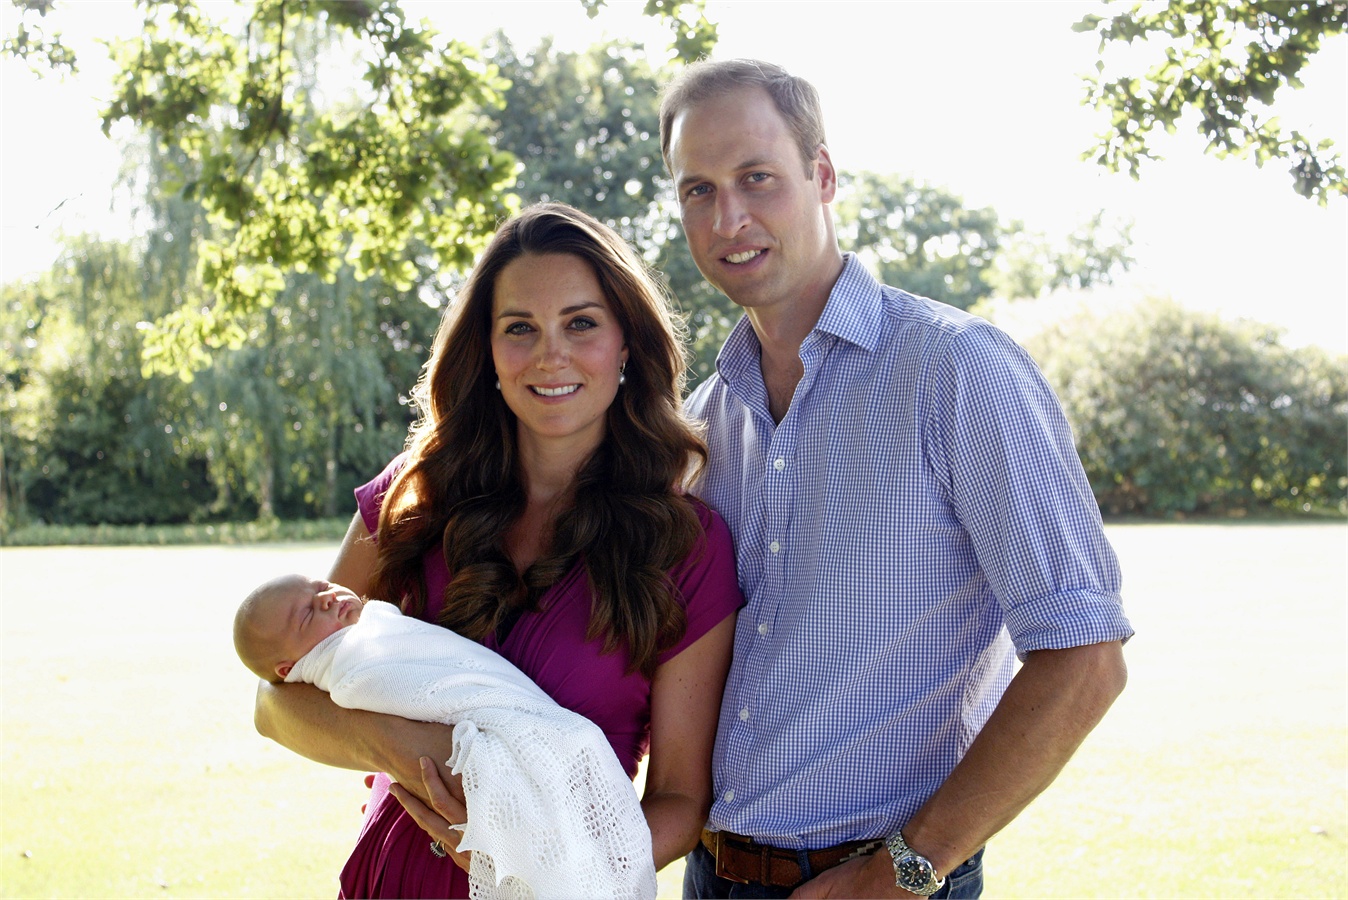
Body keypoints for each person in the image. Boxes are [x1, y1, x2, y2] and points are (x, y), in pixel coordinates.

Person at [658, 59, 1135, 898]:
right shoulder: (703, 420)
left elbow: (1084, 658)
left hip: (880, 880)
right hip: (712, 873)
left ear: (823, 175)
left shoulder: (956, 370)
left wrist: (904, 872)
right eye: (699, 190)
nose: (728, 218)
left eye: (757, 177)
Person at [251, 203, 743, 899]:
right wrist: (407, 749)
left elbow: (680, 801)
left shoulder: (686, 546)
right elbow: (276, 704)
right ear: (486, 350)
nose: (550, 355)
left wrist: (545, 866)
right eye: (520, 328)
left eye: (581, 323)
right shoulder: (414, 496)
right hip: (390, 880)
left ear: (626, 344)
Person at [233, 573, 657, 899]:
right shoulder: (348, 668)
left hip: (549, 798)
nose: (326, 597)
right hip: (388, 871)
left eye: (321, 586)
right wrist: (393, 745)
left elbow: (681, 798)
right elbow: (271, 706)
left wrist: (570, 854)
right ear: (289, 667)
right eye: (308, 613)